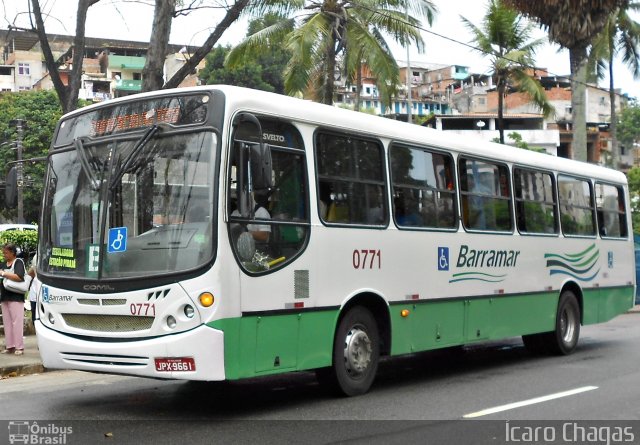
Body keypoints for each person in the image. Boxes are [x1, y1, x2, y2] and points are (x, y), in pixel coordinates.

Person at [0, 243, 26, 355]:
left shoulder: (18, 262)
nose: (4, 254)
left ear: (12, 253)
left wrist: (4, 273)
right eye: (3, 252)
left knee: (17, 322)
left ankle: (19, 347)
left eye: (6, 252)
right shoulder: (2, 264)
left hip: (16, 297)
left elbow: (19, 277)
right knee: (7, 322)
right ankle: (10, 346)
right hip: (5, 296)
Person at [28, 253, 39, 329]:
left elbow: (30, 274)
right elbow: (30, 274)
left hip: (40, 291)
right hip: (35, 292)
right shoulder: (37, 255)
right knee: (35, 313)